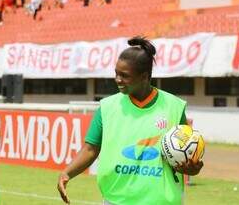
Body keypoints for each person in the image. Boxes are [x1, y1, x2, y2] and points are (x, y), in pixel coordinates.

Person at [57, 36, 203, 205]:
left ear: (144, 76)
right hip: (117, 200)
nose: (118, 79)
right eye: (116, 73)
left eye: (124, 75)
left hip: (161, 201)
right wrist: (67, 173)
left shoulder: (173, 107)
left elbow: (187, 152)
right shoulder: (107, 107)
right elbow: (90, 149)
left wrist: (192, 168)